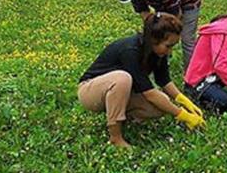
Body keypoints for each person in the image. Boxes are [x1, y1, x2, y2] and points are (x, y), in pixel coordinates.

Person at [78, 12, 205, 147]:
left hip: (119, 92)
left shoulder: (157, 52)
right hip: (90, 92)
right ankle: (115, 137)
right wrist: (183, 115)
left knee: (162, 105)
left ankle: (121, 116)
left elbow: (164, 81)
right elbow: (149, 93)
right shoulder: (130, 50)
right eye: (168, 46)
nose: (170, 51)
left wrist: (183, 100)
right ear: (153, 40)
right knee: (123, 79)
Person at [115, 0, 202, 72]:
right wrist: (153, 33)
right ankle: (161, 65)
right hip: (163, 0)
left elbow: (175, 16)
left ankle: (192, 77)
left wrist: (166, 39)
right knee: (159, 35)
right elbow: (145, 14)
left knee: (186, 38)